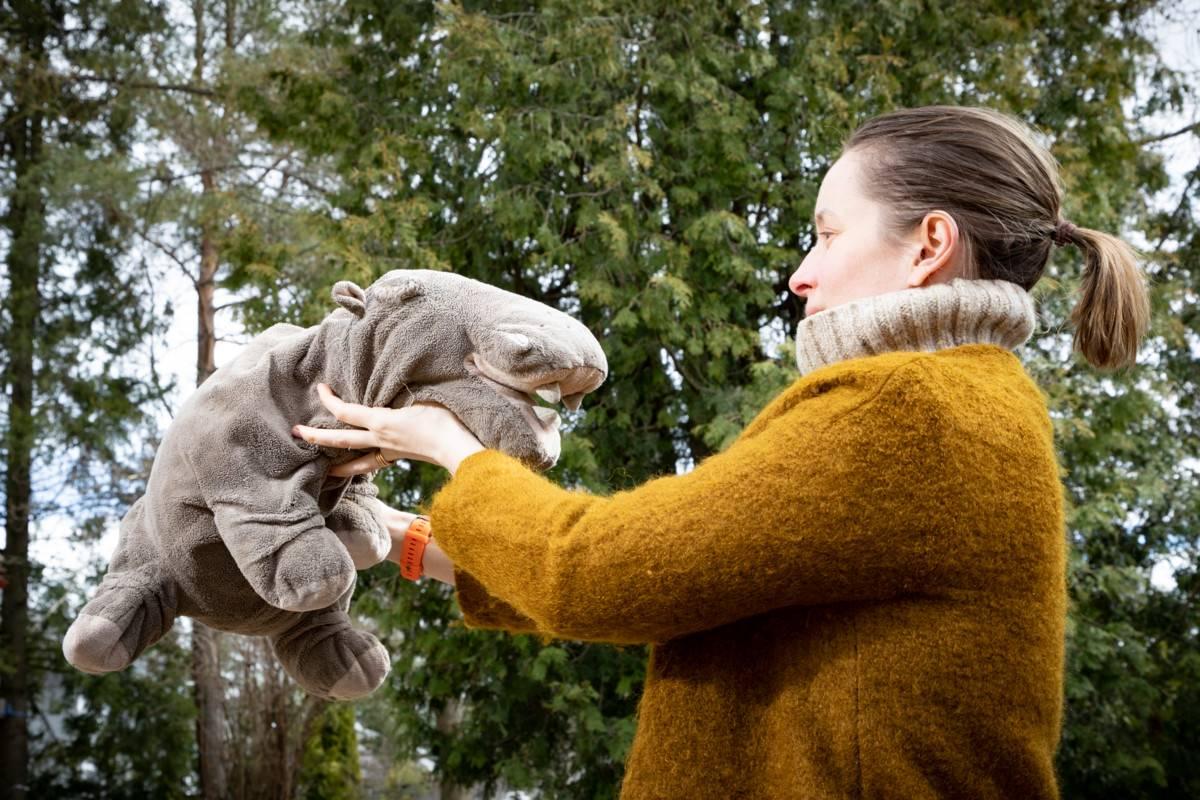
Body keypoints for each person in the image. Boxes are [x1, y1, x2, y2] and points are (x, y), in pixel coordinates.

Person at [292, 105, 1151, 799]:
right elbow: (688, 587)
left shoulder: (912, 410)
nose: (799, 275)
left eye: (827, 234)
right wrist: (399, 540)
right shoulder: (964, 405)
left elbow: (599, 573)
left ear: (929, 244)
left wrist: (452, 448)